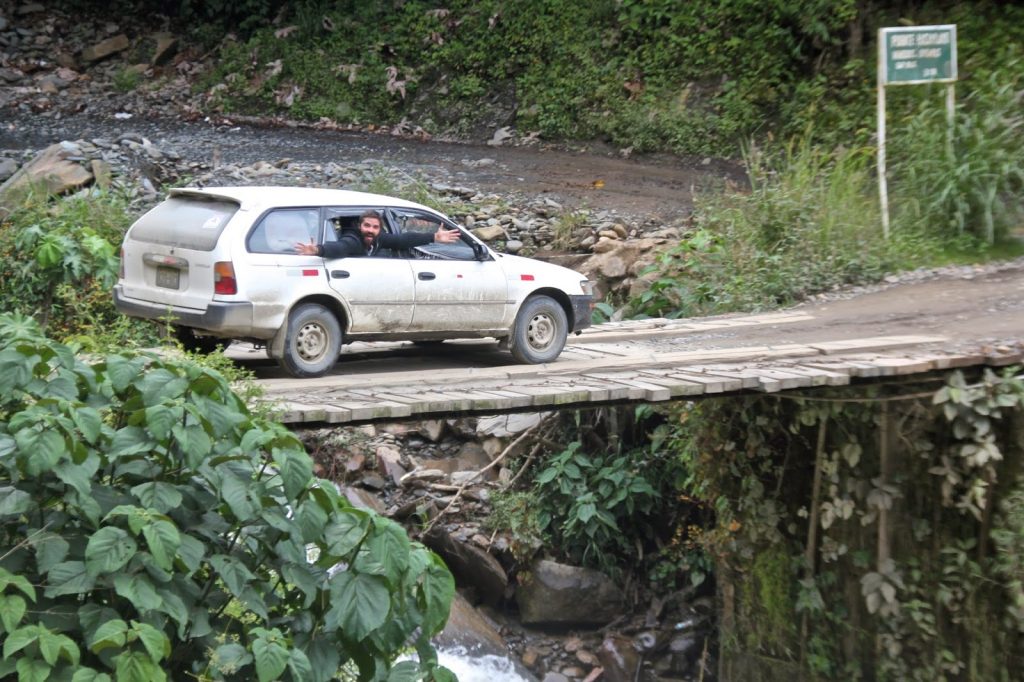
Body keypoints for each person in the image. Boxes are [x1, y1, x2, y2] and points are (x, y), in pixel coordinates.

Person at [295, 209, 460, 257]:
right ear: (360, 226)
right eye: (367, 226)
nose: (370, 230)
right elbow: (341, 247)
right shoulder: (354, 239)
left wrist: (434, 237)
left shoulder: (378, 238)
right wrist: (317, 250)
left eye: (375, 227)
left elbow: (401, 240)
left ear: (380, 229)